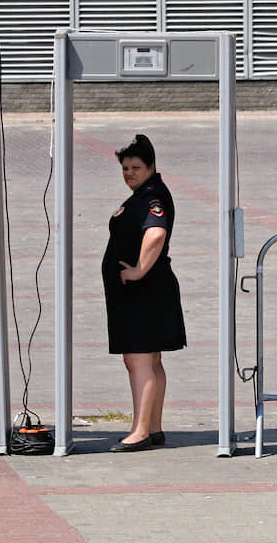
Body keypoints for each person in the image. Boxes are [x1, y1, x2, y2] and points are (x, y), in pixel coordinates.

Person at [101, 134, 187, 452]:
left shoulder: (152, 197)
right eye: (125, 168)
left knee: (139, 360)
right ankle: (153, 426)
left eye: (136, 167)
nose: (129, 173)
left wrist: (137, 270)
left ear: (151, 167)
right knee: (150, 360)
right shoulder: (145, 193)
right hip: (145, 292)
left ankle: (140, 432)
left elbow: (156, 233)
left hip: (145, 292)